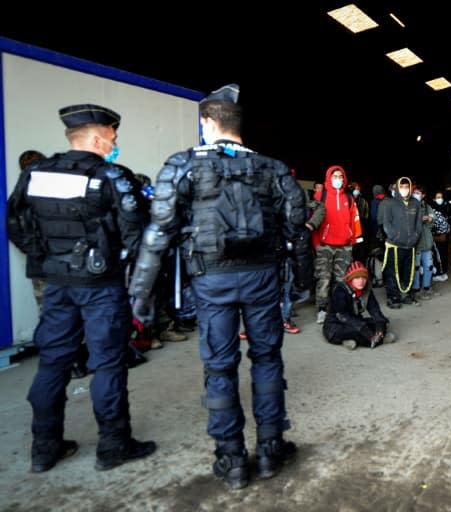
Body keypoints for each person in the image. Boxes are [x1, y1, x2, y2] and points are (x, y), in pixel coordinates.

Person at [128, 84, 312, 489]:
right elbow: (297, 231)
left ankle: (231, 461)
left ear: (208, 124)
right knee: (267, 360)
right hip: (263, 278)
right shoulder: (274, 168)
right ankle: (269, 450)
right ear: (239, 126)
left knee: (219, 367)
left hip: (211, 280)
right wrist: (302, 282)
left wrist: (140, 293)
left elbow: (159, 232)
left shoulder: (183, 165)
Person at [5, 104, 156, 472]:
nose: (115, 142)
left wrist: (49, 259)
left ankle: (45, 448)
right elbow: (137, 236)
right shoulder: (111, 176)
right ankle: (113, 445)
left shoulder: (35, 174)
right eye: (112, 136)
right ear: (96, 137)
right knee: (107, 363)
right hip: (101, 285)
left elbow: (16, 224)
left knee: (52, 363)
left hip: (57, 285)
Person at [311, 165, 362, 324]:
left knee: (341, 279)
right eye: (335, 176)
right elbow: (313, 220)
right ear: (329, 178)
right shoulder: (320, 196)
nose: (338, 179)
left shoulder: (349, 198)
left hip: (344, 246)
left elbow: (355, 220)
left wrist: (354, 240)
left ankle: (338, 308)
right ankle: (322, 309)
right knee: (324, 279)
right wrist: (316, 243)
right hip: (325, 245)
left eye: (341, 176)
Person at [322, 261, 396, 350]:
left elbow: (375, 310)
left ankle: (354, 340)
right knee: (359, 331)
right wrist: (362, 328)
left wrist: (380, 326)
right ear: (350, 279)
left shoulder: (367, 289)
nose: (361, 281)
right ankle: (380, 340)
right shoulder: (340, 290)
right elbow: (342, 315)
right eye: (357, 278)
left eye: (363, 278)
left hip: (356, 320)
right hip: (336, 326)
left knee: (382, 322)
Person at [380, 177, 422, 308]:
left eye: (407, 187)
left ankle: (406, 295)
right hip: (395, 245)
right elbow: (386, 223)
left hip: (410, 245)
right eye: (402, 187)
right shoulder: (390, 203)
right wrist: (395, 236)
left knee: (407, 271)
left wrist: (415, 236)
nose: (404, 189)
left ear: (410, 188)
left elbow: (418, 224)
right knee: (392, 272)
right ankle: (393, 297)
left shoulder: (415, 203)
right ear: (397, 188)